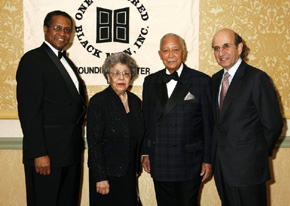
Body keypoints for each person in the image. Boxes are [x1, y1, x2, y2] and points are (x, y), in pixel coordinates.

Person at [16, 10, 87, 206]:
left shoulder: (67, 62)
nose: (62, 34)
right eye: (57, 28)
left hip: (69, 153)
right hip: (46, 156)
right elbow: (29, 112)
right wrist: (39, 153)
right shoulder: (33, 60)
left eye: (67, 30)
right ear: (45, 29)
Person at [211, 28, 283, 206]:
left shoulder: (257, 78)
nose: (221, 53)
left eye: (226, 46)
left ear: (240, 47)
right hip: (222, 169)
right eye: (216, 48)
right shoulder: (214, 81)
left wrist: (254, 155)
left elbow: (273, 124)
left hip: (249, 170)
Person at [142, 33, 213, 206]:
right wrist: (145, 152)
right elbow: (146, 120)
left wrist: (208, 159)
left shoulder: (201, 81)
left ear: (184, 52)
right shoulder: (150, 81)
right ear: (160, 54)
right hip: (160, 159)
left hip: (190, 160)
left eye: (175, 50)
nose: (171, 55)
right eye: (166, 51)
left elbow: (209, 125)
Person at [87, 52, 144, 206]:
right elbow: (94, 142)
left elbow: (138, 137)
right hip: (106, 176)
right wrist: (100, 177)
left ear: (131, 78)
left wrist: (137, 167)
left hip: (129, 174)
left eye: (126, 73)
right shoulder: (99, 101)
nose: (121, 77)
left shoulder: (135, 102)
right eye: (116, 73)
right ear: (108, 76)